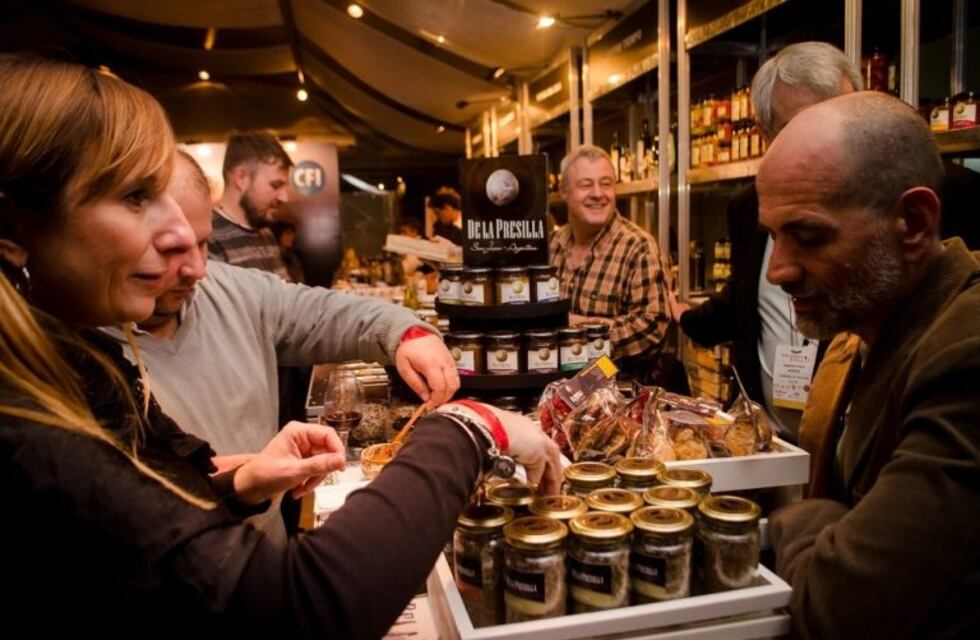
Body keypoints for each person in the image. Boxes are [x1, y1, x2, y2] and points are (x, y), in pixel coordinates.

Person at [0, 55, 561, 637]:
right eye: (135, 196)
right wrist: (468, 428)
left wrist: (234, 485)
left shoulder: (71, 367)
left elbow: (135, 541)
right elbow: (295, 607)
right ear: (14, 232)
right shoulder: (28, 420)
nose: (187, 254)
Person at [103, 151, 457, 543]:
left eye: (203, 243)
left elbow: (320, 312)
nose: (196, 269)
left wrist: (404, 332)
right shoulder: (78, 358)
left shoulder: (232, 288)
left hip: (269, 555)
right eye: (169, 249)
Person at [758, 90, 980, 638]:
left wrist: (805, 518)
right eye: (773, 237)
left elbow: (842, 610)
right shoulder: (857, 327)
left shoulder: (967, 352)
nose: (778, 272)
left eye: (808, 236)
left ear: (912, 221)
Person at [671, 42, 863, 442]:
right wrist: (685, 316)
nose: (828, 143)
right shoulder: (747, 207)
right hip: (767, 441)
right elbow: (743, 300)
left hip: (855, 455)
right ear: (764, 135)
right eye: (802, 127)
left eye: (843, 121)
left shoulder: (892, 206)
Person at [550, 145, 672, 379]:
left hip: (617, 397)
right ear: (564, 192)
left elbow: (652, 327)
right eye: (586, 185)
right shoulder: (552, 244)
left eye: (606, 183)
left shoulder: (638, 247)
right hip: (556, 393)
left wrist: (577, 330)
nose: (598, 193)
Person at [209, 131, 294, 280]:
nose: (284, 197)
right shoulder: (210, 239)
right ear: (241, 178)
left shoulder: (265, 233)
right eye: (275, 185)